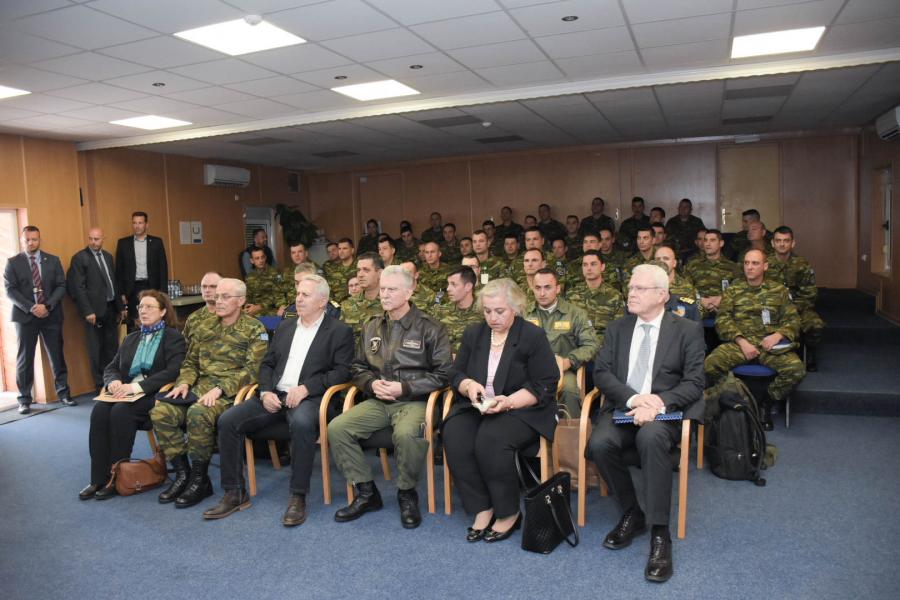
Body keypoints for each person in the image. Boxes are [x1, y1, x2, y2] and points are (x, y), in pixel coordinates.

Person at [587, 264, 705, 583]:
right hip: (625, 407)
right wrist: (635, 399)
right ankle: (632, 513)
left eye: (640, 288)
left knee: (650, 439)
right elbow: (602, 373)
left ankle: (660, 533)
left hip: (663, 412)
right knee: (599, 444)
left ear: (662, 295)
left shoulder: (687, 330)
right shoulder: (618, 328)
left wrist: (657, 404)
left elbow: (695, 382)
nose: (631, 293)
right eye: (631, 287)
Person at [204, 275, 354, 525]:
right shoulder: (285, 327)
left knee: (302, 423)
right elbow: (267, 364)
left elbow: (343, 372)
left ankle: (298, 496)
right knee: (228, 420)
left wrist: (306, 388)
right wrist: (265, 391)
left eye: (305, 295)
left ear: (322, 301)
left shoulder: (339, 331)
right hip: (275, 395)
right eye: (298, 293)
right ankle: (234, 492)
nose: (298, 299)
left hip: (312, 398)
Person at [328, 266, 451, 528]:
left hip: (415, 401)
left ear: (409, 292)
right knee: (337, 428)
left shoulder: (430, 327)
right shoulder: (371, 324)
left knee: (407, 434)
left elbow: (444, 375)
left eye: (392, 289)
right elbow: (357, 367)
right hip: (378, 400)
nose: (384, 294)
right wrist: (371, 384)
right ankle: (366, 492)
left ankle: (406, 493)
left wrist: (403, 388)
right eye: (382, 289)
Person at [443, 278, 559, 543]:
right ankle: (482, 507)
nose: (492, 318)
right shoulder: (474, 334)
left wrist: (508, 402)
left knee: (491, 439)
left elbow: (545, 384)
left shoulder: (532, 336)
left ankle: (508, 513)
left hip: (521, 408)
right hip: (478, 406)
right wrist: (468, 385)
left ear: (515, 309)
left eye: (499, 311)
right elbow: (455, 373)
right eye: (487, 311)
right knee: (455, 435)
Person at [151, 278, 268, 508]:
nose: (218, 301)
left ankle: (199, 479)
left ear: (241, 301)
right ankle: (183, 474)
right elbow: (190, 362)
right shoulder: (205, 327)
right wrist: (184, 383)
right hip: (199, 388)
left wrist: (220, 388)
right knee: (161, 411)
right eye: (217, 296)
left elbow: (253, 371)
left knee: (198, 413)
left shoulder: (255, 329)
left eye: (225, 296)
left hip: (232, 394)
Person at [81, 290, 187, 501]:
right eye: (141, 307)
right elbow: (112, 367)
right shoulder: (131, 338)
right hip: (124, 392)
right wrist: (114, 381)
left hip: (154, 394)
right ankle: (98, 479)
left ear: (163, 312)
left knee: (121, 411)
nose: (143, 311)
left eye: (150, 307)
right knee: (100, 410)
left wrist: (136, 388)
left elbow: (173, 371)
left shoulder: (173, 337)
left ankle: (117, 477)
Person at [705, 249, 806, 427]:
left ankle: (766, 403)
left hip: (769, 346)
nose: (749, 267)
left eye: (755, 263)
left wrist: (778, 335)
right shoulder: (733, 290)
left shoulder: (779, 290)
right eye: (746, 263)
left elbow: (794, 320)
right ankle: (736, 400)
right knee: (710, 365)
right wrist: (741, 341)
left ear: (765, 266)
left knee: (796, 369)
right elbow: (722, 320)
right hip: (740, 345)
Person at [4, 226, 73, 414]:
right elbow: (10, 290)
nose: (31, 243)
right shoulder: (13, 263)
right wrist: (32, 307)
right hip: (25, 316)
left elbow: (61, 286)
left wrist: (47, 306)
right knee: (25, 358)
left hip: (51, 314)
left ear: (40, 240)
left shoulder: (53, 260)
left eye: (34, 239)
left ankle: (64, 394)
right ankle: (24, 399)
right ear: (22, 240)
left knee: (57, 355)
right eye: (27, 239)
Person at [525, 269, 598, 417]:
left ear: (558, 288)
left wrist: (569, 361)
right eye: (538, 288)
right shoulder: (524, 313)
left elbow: (591, 345)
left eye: (547, 287)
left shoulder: (575, 314)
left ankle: (569, 430)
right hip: (528, 371)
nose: (542, 293)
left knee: (569, 391)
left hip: (563, 370)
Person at [67, 227, 125, 391]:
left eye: (97, 239)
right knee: (96, 349)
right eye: (91, 238)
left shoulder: (107, 256)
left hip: (110, 308)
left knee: (112, 347)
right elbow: (77, 288)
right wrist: (87, 311)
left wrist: (120, 307)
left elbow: (113, 283)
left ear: (103, 239)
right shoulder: (80, 258)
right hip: (93, 312)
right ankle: (100, 384)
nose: (93, 242)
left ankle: (113, 381)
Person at [769, 226, 825, 371]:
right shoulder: (764, 263)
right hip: (770, 308)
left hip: (797, 307)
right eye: (778, 241)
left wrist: (792, 309)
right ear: (772, 243)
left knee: (815, 324)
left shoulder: (801, 264)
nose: (782, 244)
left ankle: (810, 353)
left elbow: (810, 292)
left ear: (792, 243)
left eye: (786, 241)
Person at [115, 211, 168, 331]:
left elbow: (163, 269)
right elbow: (119, 271)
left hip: (152, 287)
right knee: (135, 324)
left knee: (154, 320)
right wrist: (121, 293)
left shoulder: (156, 242)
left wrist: (163, 293)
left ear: (146, 225)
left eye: (140, 223)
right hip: (132, 289)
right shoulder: (123, 243)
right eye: (134, 223)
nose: (137, 226)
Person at [566, 250, 626, 346]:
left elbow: (619, 329)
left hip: (605, 348)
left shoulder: (615, 296)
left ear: (602, 267)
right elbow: (566, 327)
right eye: (585, 265)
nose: (589, 268)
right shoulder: (571, 295)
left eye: (593, 264)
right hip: (578, 348)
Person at [685, 229, 740, 317]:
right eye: (705, 240)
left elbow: (739, 288)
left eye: (712, 240)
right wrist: (700, 300)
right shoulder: (692, 265)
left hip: (725, 307)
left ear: (721, 243)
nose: (707, 244)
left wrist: (722, 299)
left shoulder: (732, 267)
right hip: (699, 307)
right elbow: (685, 288)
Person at [433, 266, 483, 355]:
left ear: (468, 287)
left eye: (453, 284)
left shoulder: (484, 312)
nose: (448, 289)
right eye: (448, 284)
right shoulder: (441, 311)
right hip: (445, 361)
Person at [340, 253, 383, 338]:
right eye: (358, 270)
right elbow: (342, 338)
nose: (360, 275)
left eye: (366, 270)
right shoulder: (348, 304)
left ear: (379, 273)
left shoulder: (391, 302)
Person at [651, 247, 700, 321]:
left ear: (674, 263)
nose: (661, 262)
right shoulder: (646, 286)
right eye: (658, 259)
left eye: (666, 259)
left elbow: (698, 312)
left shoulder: (687, 287)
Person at [278, 242, 320, 316]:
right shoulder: (286, 271)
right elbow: (280, 291)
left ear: (306, 253)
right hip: (291, 307)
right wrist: (281, 305)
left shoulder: (316, 269)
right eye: (293, 253)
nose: (296, 255)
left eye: (300, 252)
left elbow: (321, 291)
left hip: (310, 306)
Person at [182, 272, 221, 346]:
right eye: (204, 286)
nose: (207, 290)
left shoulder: (231, 315)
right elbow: (183, 346)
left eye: (213, 286)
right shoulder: (193, 318)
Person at [244, 247, 281, 316]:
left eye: (262, 257)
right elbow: (248, 296)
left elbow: (277, 295)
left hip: (271, 309)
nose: (261, 260)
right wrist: (248, 307)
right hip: (254, 310)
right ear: (252, 261)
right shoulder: (249, 277)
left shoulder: (275, 273)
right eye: (257, 258)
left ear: (265, 257)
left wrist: (259, 307)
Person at [323, 238, 356, 303]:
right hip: (337, 305)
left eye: (345, 248)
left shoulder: (360, 266)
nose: (341, 251)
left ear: (352, 250)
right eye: (339, 249)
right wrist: (334, 305)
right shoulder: (333, 269)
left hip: (356, 304)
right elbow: (329, 290)